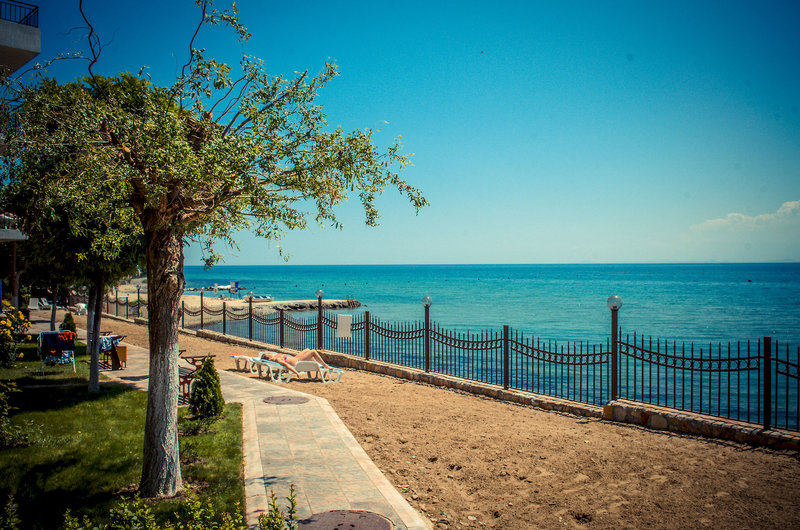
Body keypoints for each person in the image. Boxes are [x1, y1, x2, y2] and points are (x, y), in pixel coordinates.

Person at [260, 348, 333, 376]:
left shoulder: (275, 357)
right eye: (268, 354)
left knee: (307, 349)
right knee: (313, 351)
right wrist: (297, 373)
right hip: (298, 362)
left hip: (295, 358)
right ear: (269, 359)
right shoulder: (277, 359)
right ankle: (324, 365)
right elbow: (287, 365)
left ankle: (315, 364)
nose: (270, 353)